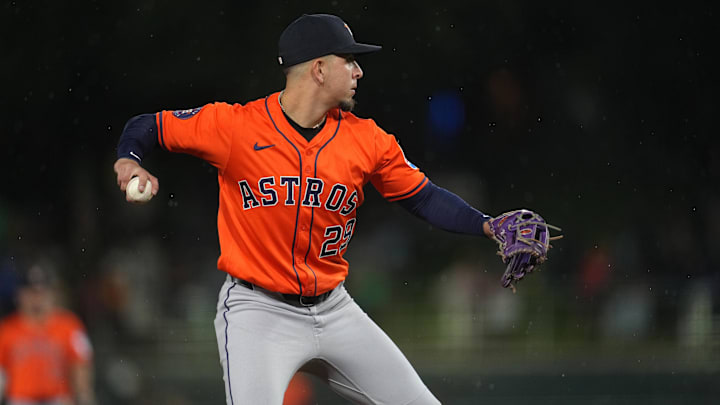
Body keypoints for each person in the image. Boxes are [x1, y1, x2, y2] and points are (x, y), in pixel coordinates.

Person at [113, 13, 497, 404]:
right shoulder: (235, 128)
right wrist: (129, 160)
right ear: (318, 69)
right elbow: (148, 126)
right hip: (257, 311)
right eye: (349, 60)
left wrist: (487, 226)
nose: (359, 71)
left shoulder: (367, 139)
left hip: (335, 309)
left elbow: (424, 197)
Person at [0, 264, 96, 405]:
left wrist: (83, 396)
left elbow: (81, 364)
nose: (37, 299)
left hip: (58, 399)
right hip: (21, 400)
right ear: (20, 295)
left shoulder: (69, 325)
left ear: (52, 295)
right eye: (31, 293)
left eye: (42, 292)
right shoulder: (6, 329)